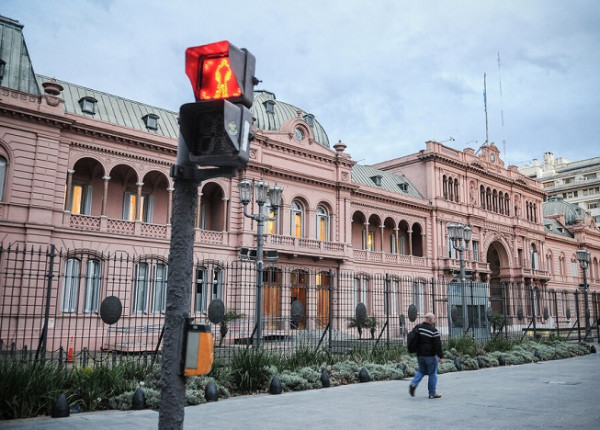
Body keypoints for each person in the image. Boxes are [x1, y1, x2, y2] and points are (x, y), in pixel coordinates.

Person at [409, 312, 444, 399]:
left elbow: (412, 337)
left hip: (420, 354)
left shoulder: (418, 327)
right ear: (429, 320)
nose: (435, 320)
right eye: (434, 319)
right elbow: (437, 345)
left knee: (421, 371)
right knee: (432, 373)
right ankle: (432, 393)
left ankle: (413, 384)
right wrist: (440, 356)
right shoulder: (433, 331)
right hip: (430, 355)